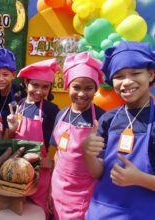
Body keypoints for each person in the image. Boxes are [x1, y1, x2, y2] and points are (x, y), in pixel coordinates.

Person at [83, 41, 155, 219]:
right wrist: (88, 153)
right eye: (119, 76)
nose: (127, 81)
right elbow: (98, 173)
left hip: (142, 212)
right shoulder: (108, 119)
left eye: (136, 73)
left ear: (151, 75)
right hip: (102, 211)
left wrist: (139, 179)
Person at [50, 52, 105, 219]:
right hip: (58, 188)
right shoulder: (60, 115)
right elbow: (57, 154)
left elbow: (102, 166)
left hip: (84, 193)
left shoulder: (102, 118)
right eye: (76, 87)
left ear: (96, 89)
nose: (81, 94)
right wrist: (49, 190)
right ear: (67, 86)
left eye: (88, 88)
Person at [6, 59, 60, 218]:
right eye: (35, 85)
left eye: (45, 87)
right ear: (26, 83)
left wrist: (50, 163)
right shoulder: (16, 106)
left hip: (39, 176)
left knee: (37, 213)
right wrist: (12, 129)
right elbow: (9, 140)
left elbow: (59, 146)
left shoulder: (51, 110)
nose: (39, 91)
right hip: (17, 173)